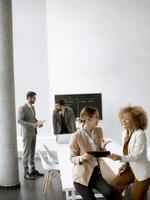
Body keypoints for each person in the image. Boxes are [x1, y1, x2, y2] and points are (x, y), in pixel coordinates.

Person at [69, 106, 115, 200]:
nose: (98, 119)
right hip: (81, 177)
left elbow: (100, 153)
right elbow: (72, 158)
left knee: (109, 193)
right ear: (88, 119)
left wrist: (103, 148)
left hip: (95, 173)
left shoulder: (98, 131)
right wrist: (82, 157)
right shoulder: (76, 136)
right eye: (96, 117)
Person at [108, 105, 150, 200]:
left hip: (142, 172)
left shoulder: (140, 134)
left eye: (126, 119)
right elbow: (127, 153)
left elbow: (138, 155)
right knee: (112, 186)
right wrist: (124, 164)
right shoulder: (124, 133)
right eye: (122, 118)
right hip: (130, 169)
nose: (123, 121)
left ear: (135, 121)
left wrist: (120, 158)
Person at [17, 91, 44, 180]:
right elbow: (19, 120)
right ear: (29, 97)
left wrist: (38, 123)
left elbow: (33, 118)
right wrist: (31, 125)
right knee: (26, 153)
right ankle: (25, 172)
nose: (35, 99)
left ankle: (32, 170)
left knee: (32, 153)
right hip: (27, 133)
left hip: (33, 132)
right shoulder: (22, 108)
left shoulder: (32, 107)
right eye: (34, 98)